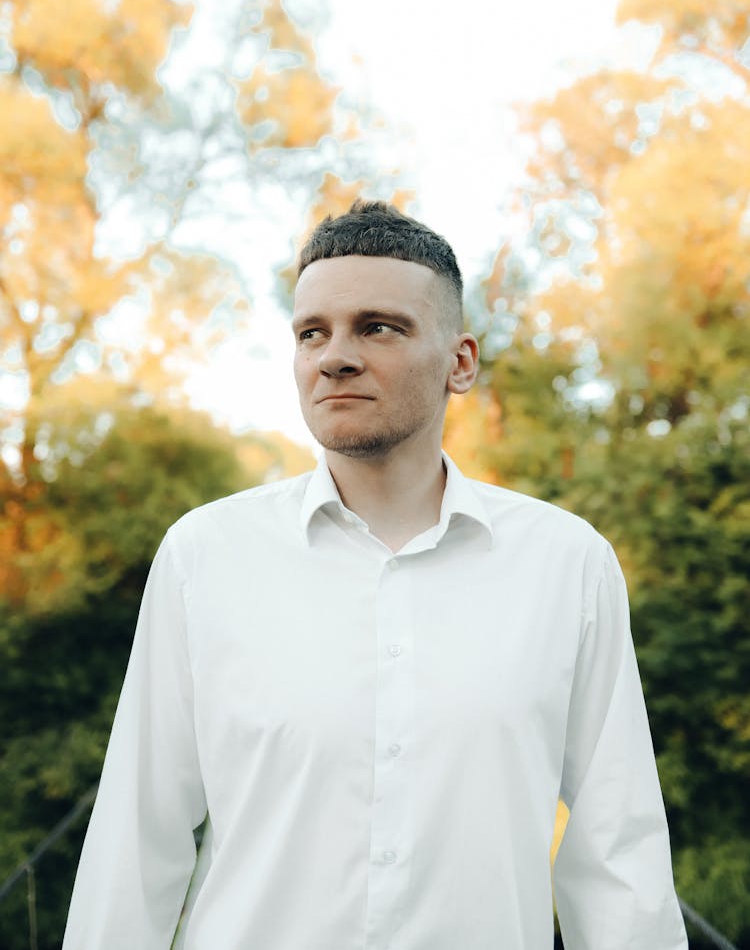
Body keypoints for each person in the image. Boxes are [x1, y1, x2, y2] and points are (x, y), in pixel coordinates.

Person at [63, 200, 688, 949]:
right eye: (311, 332)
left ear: (460, 361)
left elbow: (618, 851)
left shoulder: (568, 564)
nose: (335, 355)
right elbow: (136, 837)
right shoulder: (204, 556)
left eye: (377, 326)